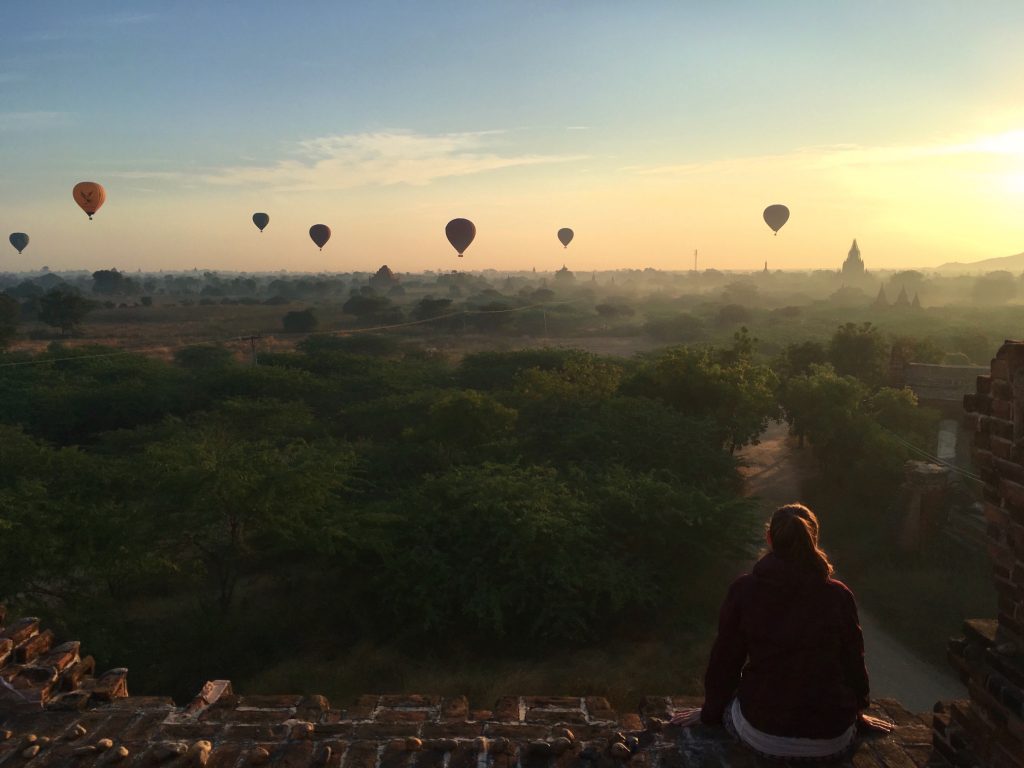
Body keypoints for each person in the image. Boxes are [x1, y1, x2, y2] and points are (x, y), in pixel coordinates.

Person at [670, 503, 892, 760]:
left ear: (769, 539)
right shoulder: (838, 595)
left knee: (735, 705)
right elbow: (853, 660)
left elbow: (725, 661)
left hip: (764, 732)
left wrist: (710, 711)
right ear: (814, 540)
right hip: (832, 735)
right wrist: (857, 711)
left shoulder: (745, 590)